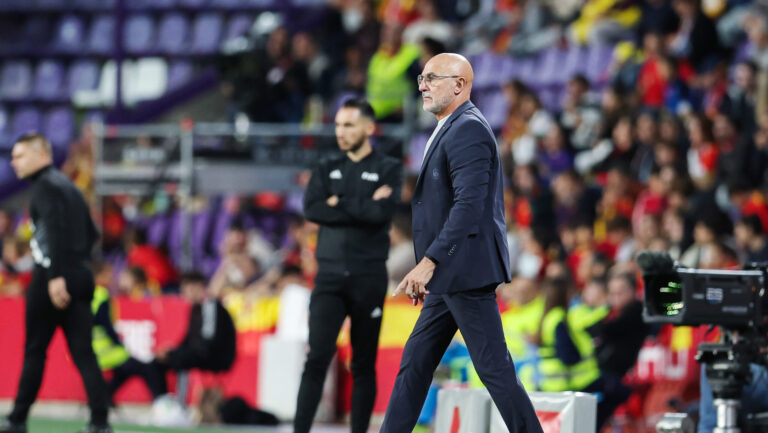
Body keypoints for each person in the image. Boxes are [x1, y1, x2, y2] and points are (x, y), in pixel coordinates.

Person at [381, 53, 543, 433]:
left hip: (465, 272)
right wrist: (432, 267)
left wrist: (430, 261)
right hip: (451, 273)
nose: (422, 84)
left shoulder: (468, 128)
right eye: (421, 77)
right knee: (416, 364)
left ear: (459, 84)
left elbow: (470, 206)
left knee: (494, 369)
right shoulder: (450, 126)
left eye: (432, 78)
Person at [295, 97, 402, 433]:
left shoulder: (389, 168)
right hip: (328, 278)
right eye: (338, 125)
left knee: (363, 364)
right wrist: (363, 205)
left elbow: (380, 214)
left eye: (349, 125)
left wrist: (337, 202)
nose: (341, 132)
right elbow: (312, 208)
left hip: (368, 276)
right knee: (317, 357)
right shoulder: (326, 166)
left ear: (369, 128)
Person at [1, 133, 112, 433]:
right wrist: (75, 267)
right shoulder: (71, 188)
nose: (14, 162)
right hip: (81, 274)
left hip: (52, 277)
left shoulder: (45, 188)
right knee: (84, 353)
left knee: (36, 350)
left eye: (20, 155)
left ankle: (17, 419)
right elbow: (91, 234)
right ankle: (100, 422)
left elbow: (53, 230)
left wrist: (55, 275)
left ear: (42, 155)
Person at [152, 272, 236, 395]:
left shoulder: (210, 305)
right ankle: (164, 401)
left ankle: (168, 402)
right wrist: (172, 351)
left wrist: (177, 354)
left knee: (168, 360)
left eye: (187, 290)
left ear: (198, 286)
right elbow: (189, 338)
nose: (185, 295)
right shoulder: (196, 308)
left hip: (216, 357)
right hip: (200, 352)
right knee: (159, 360)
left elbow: (207, 341)